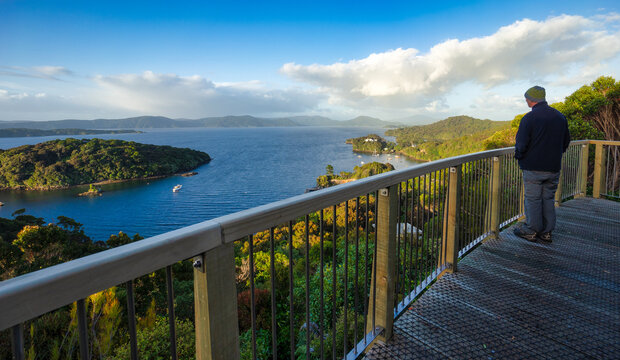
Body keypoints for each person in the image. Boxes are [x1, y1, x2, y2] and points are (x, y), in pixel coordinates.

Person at [513, 86, 570, 243]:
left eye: (526, 98)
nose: (525, 101)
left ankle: (531, 230)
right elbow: (566, 142)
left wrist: (519, 157)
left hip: (533, 168)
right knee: (548, 199)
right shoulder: (560, 117)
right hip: (553, 167)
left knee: (532, 199)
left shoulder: (529, 119)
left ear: (531, 99)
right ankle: (546, 233)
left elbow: (521, 144)